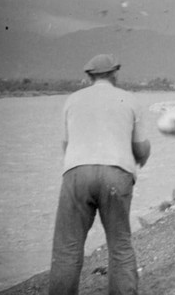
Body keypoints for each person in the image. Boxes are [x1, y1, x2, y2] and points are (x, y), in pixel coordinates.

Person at [49, 54, 151, 295]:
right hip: (116, 173)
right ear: (114, 74)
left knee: (67, 248)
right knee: (120, 245)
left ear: (89, 76)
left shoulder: (72, 100)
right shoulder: (129, 99)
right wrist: (139, 160)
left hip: (76, 173)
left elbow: (66, 146)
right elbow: (140, 148)